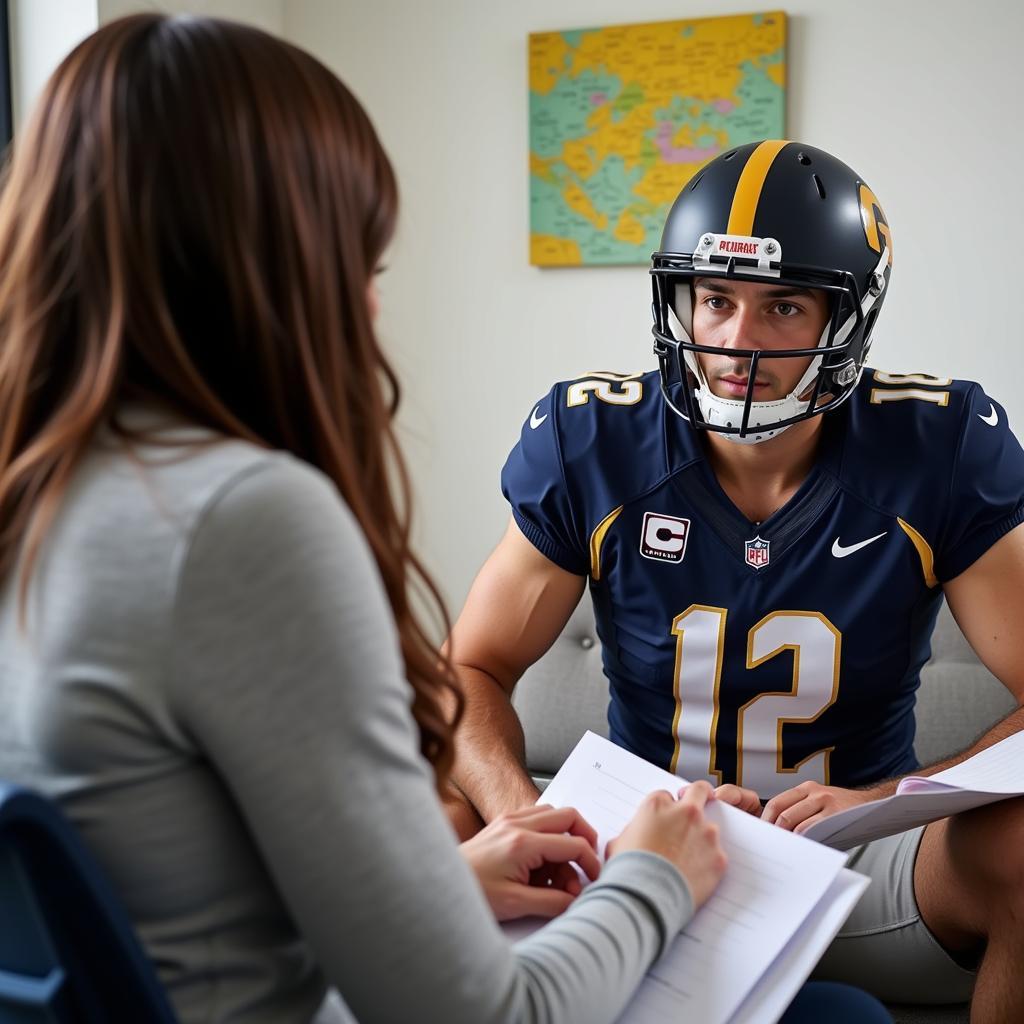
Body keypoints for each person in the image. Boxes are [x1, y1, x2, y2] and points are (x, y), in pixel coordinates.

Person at [0, 16, 890, 1024]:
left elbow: (174, 897)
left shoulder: (42, 493)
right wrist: (655, 872)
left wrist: (445, 883)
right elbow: (496, 1015)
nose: (372, 311)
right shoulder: (242, 520)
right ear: (262, 264)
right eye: (359, 262)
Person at [447, 140, 1024, 1022]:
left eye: (783, 306)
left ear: (846, 319)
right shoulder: (593, 440)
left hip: (856, 853)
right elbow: (470, 668)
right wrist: (520, 814)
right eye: (714, 299)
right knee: (436, 818)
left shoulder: (938, 448)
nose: (736, 343)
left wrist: (878, 802)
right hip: (635, 841)